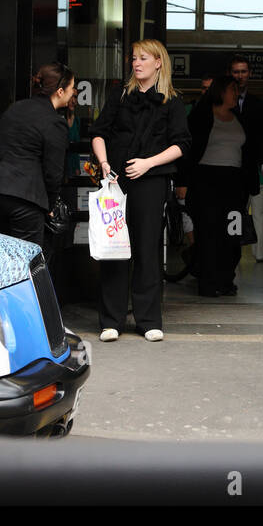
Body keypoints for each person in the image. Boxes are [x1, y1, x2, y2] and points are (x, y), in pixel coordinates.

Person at [91, 40, 191, 342]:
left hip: (151, 181)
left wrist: (148, 163)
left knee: (147, 249)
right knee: (114, 248)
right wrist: (105, 163)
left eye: (143, 58)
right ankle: (111, 321)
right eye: (134, 58)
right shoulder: (120, 95)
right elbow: (99, 133)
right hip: (117, 181)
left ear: (158, 62)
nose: (136, 63)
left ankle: (148, 321)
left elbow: (182, 144)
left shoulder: (172, 101)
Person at [0, 62, 75, 256]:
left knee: (1, 254)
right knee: (26, 260)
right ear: (60, 91)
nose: (72, 93)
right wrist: (50, 206)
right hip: (26, 198)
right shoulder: (54, 122)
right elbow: (53, 173)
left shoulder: (17, 107)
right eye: (71, 88)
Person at [179, 73, 261, 297]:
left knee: (232, 234)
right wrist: (183, 182)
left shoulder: (239, 117)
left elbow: (250, 151)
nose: (236, 93)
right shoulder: (201, 116)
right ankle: (207, 282)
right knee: (208, 234)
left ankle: (226, 280)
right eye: (233, 89)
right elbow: (187, 151)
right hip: (207, 181)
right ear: (221, 92)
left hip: (234, 183)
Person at [230, 55, 263, 266]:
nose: (240, 76)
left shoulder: (259, 105)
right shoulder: (222, 103)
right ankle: (231, 251)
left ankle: (260, 255)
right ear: (230, 74)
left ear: (250, 74)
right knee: (233, 213)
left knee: (257, 215)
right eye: (236, 72)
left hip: (253, 169)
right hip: (231, 168)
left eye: (243, 71)